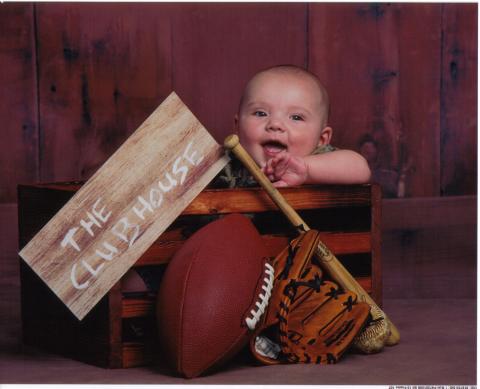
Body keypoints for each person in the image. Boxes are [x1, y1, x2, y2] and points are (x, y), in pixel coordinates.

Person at [215, 65, 371, 188]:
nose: (275, 124)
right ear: (237, 127)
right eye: (260, 113)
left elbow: (360, 168)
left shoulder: (319, 159)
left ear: (322, 139)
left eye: (296, 117)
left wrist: (307, 171)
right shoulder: (225, 164)